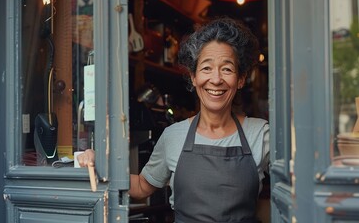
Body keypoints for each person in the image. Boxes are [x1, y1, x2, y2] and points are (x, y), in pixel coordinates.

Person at [78, 16, 270, 223]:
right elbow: (143, 186)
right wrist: (99, 163)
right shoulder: (174, 136)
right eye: (206, 68)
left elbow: (295, 185)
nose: (216, 79)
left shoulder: (260, 134)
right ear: (193, 77)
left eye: (227, 69)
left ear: (240, 79)